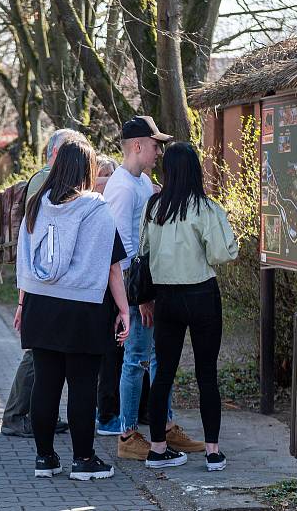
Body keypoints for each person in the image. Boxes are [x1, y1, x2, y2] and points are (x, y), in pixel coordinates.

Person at [15, 134, 130, 481]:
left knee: (46, 383)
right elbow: (111, 267)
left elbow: (24, 254)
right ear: (87, 169)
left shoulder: (35, 203)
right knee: (82, 385)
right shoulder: (96, 208)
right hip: (83, 306)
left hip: (39, 302)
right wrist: (124, 311)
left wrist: (22, 302)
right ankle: (83, 460)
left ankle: (45, 458)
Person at [104, 116, 205, 460]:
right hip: (139, 290)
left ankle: (164, 426)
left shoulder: (143, 182)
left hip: (153, 286)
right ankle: (129, 435)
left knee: (161, 359)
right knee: (135, 359)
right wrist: (142, 297)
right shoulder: (120, 187)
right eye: (154, 145)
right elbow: (122, 248)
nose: (159, 151)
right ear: (137, 146)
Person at [141, 142, 238, 471]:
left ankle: (157, 448)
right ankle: (212, 452)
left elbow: (144, 250)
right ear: (195, 170)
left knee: (163, 374)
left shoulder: (154, 207)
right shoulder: (205, 207)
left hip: (165, 298)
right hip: (201, 295)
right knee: (206, 374)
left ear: (167, 171)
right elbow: (221, 254)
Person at [1, 128, 76, 439]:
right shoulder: (44, 180)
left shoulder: (47, 179)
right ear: (57, 153)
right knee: (37, 352)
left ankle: (39, 414)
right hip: (41, 281)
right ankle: (15, 416)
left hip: (43, 281)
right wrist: (22, 299)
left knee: (46, 353)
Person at [92, 155, 124, 437]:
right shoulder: (98, 208)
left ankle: (101, 410)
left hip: (100, 290)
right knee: (109, 356)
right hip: (103, 291)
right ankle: (107, 413)